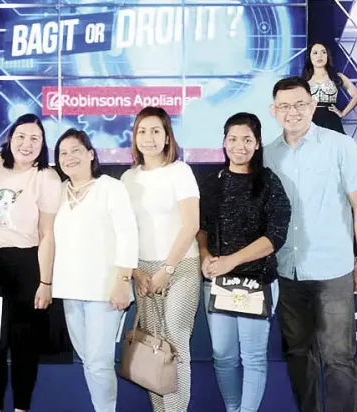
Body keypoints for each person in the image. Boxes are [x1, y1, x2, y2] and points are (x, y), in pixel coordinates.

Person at [265, 76, 357, 412]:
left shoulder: (340, 146)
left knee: (339, 356)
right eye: (284, 105)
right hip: (286, 270)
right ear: (273, 110)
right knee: (298, 355)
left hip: (334, 269)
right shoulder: (267, 154)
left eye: (299, 104)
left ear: (312, 105)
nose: (292, 111)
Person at [0, 113, 62, 412]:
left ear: (43, 144)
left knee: (24, 347)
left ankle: (22, 408)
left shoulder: (46, 176)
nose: (27, 143)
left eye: (35, 138)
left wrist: (45, 282)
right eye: (21, 136)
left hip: (28, 265)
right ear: (10, 138)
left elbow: (47, 234)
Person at [197, 112, 291, 412]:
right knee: (222, 355)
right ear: (224, 142)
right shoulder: (211, 183)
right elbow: (201, 227)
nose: (240, 146)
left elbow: (275, 236)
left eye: (247, 140)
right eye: (233, 139)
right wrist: (206, 256)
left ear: (258, 143)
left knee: (252, 357)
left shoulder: (269, 183)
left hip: (256, 281)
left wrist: (231, 261)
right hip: (217, 282)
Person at [120, 106, 201, 412]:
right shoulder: (128, 179)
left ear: (167, 136)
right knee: (152, 346)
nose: (149, 138)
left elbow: (191, 224)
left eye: (156, 131)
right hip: (144, 271)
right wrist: (138, 272)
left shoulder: (180, 171)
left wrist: (167, 269)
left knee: (176, 342)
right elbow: (126, 231)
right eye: (142, 131)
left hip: (180, 266)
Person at [51, 129, 138, 412]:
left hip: (105, 290)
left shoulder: (110, 188)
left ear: (91, 155)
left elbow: (128, 234)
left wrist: (123, 280)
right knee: (89, 361)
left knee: (99, 363)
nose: (69, 157)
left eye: (76, 150)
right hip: (69, 290)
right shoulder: (58, 192)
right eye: (63, 153)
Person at [301, 42, 357, 134]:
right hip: (310, 120)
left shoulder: (337, 76)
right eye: (315, 53)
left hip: (331, 119)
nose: (319, 56)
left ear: (328, 56)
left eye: (323, 52)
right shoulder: (304, 79)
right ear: (309, 57)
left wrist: (343, 113)